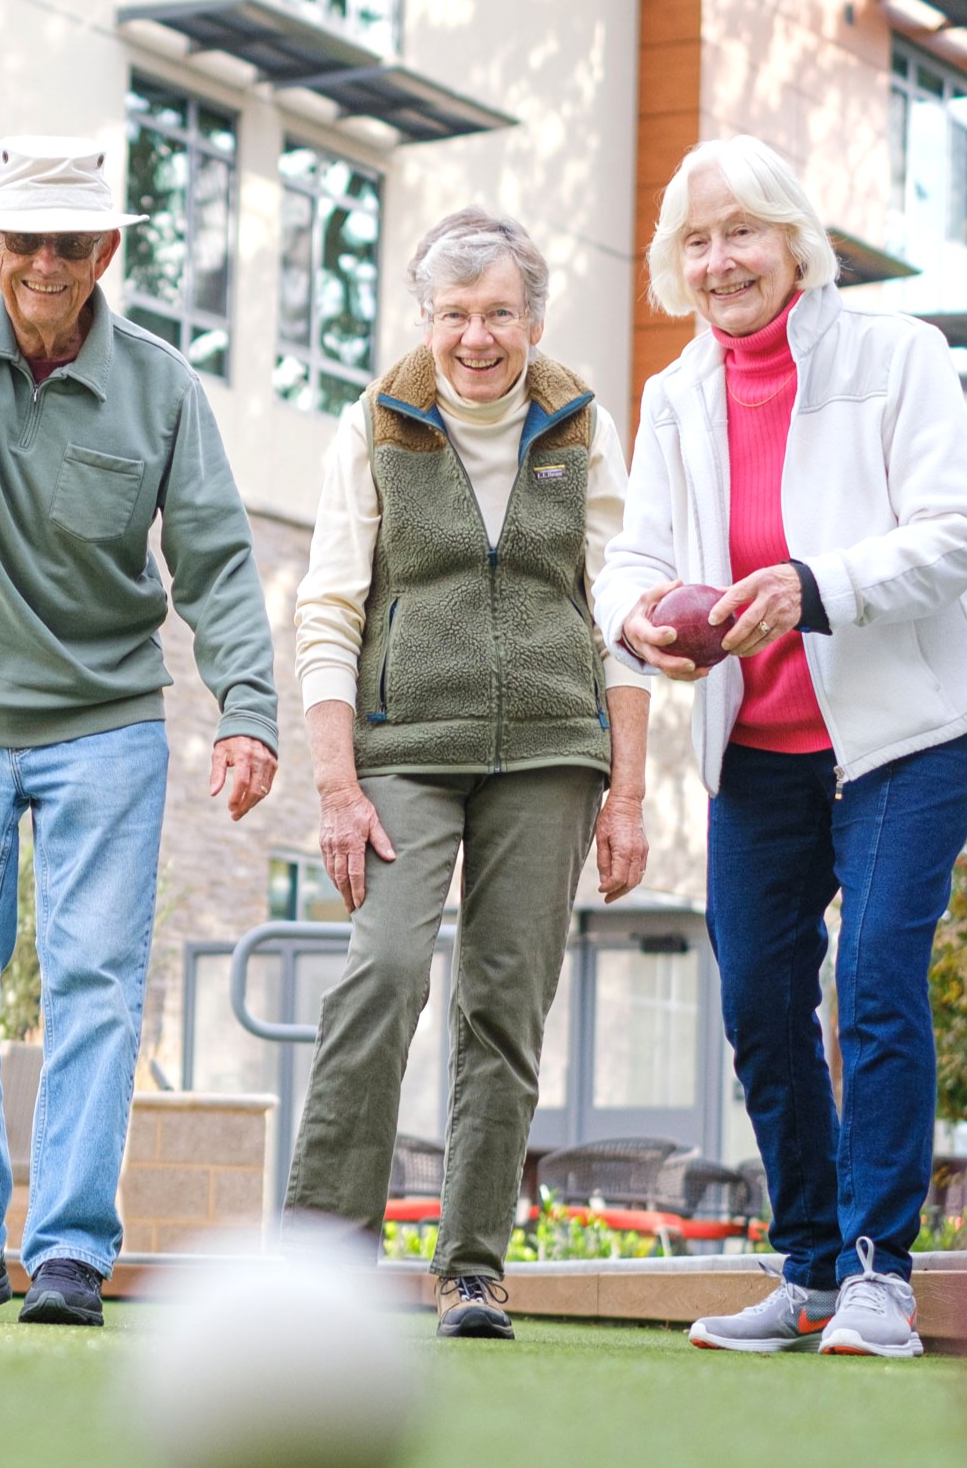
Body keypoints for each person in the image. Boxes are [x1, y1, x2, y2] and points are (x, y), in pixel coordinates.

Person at [0, 39, 280, 1327]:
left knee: (92, 986)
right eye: (21, 239)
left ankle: (69, 1250)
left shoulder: (159, 389)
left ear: (104, 257)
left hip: (104, 727)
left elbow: (216, 565)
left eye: (69, 243)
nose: (42, 264)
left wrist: (247, 709)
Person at [594, 136, 967, 1359]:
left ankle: (880, 1277)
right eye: (695, 241)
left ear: (793, 241)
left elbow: (959, 530)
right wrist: (639, 619)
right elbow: (635, 555)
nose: (718, 260)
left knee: (871, 982)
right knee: (759, 1003)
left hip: (903, 736)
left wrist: (809, 585)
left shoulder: (897, 356)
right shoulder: (676, 396)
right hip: (758, 750)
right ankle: (812, 1272)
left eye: (740, 232)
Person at [287, 206, 652, 1340]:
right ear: (424, 318)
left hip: (549, 749)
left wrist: (628, 791)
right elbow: (328, 607)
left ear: (533, 320)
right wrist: (337, 786)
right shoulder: (375, 424)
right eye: (454, 314)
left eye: (498, 313)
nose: (476, 338)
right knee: (385, 972)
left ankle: (471, 1270)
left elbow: (624, 612)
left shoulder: (581, 422)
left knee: (504, 1005)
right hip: (402, 745)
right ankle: (320, 1257)